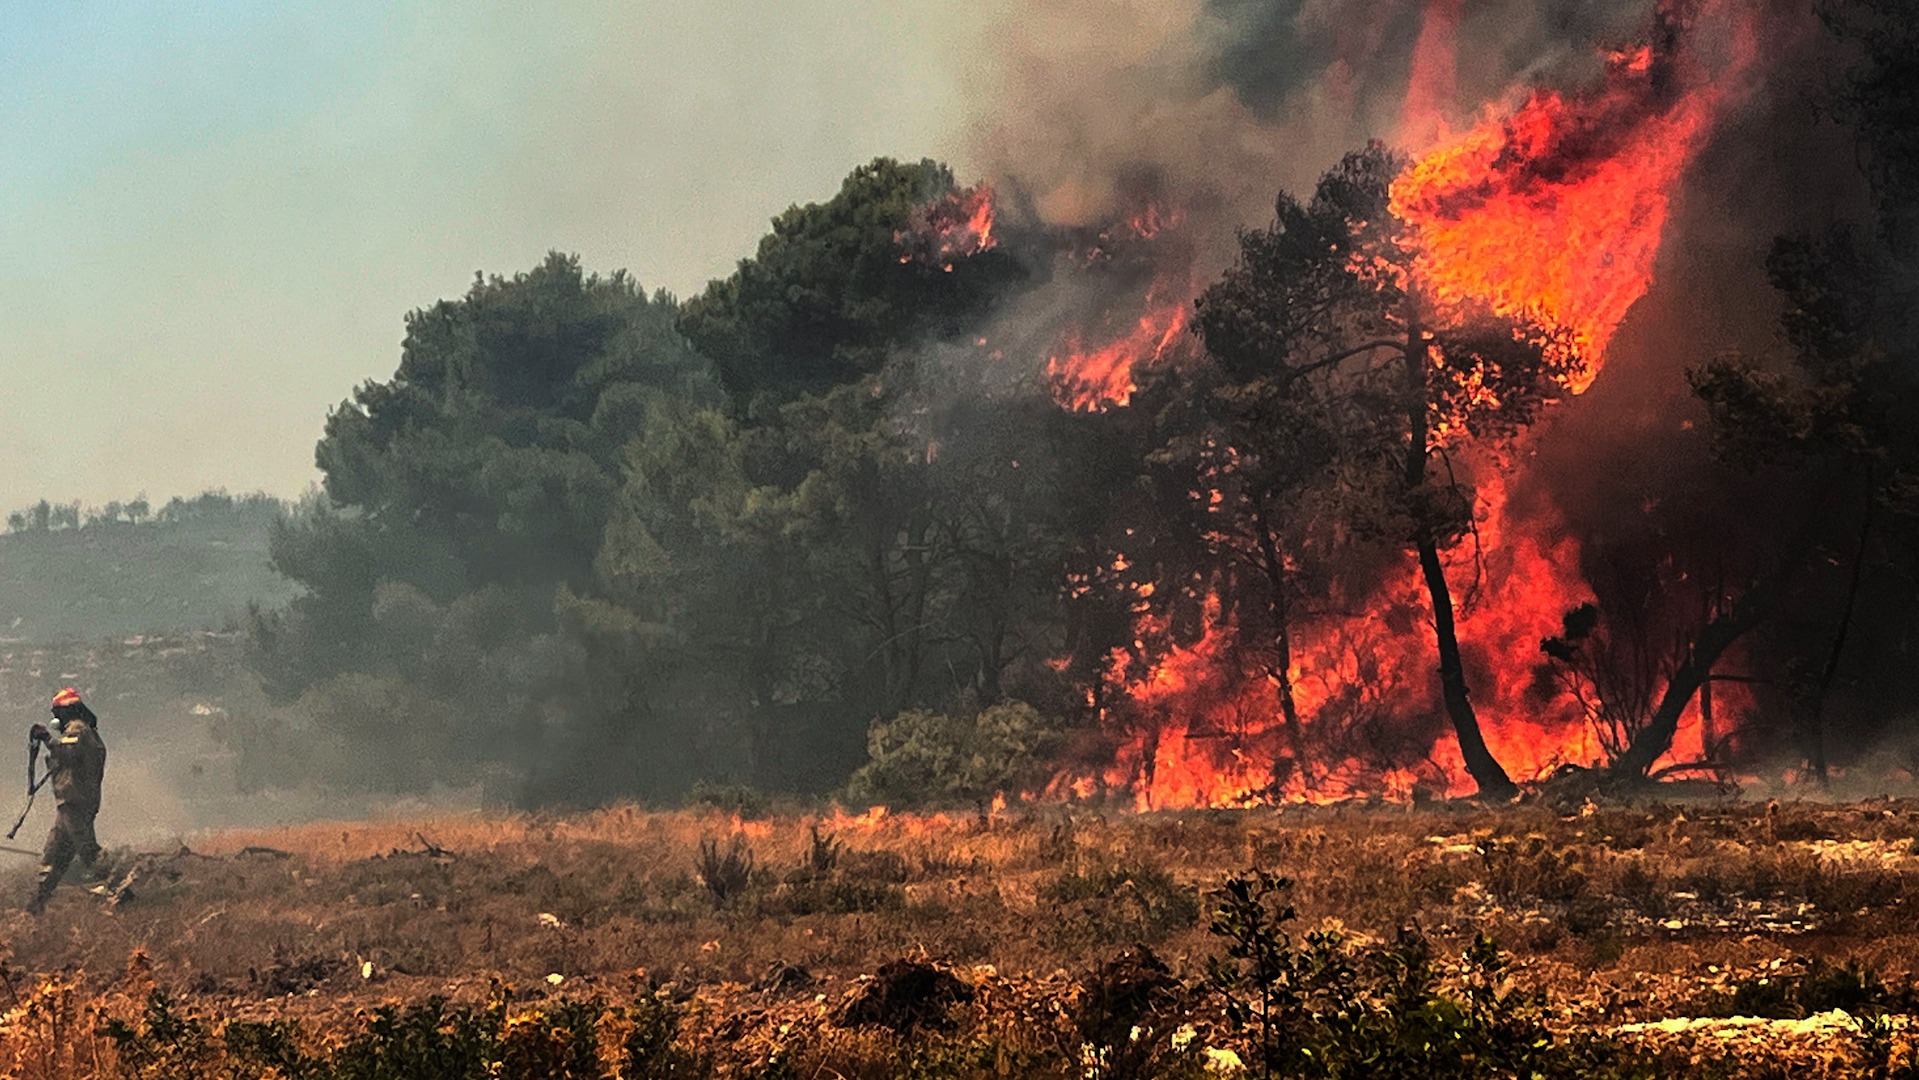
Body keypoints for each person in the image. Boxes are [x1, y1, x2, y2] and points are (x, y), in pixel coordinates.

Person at [26, 687, 106, 915]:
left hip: (75, 802)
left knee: (88, 850)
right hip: (69, 803)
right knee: (53, 854)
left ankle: (121, 887)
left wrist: (46, 739)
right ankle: (37, 904)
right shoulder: (83, 730)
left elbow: (67, 751)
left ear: (67, 711)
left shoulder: (78, 729)